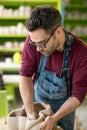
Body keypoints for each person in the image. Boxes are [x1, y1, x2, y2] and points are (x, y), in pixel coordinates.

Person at [19, 6, 87, 130]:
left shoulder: (81, 53)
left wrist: (55, 118)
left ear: (58, 32)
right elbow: (25, 75)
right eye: (34, 43)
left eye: (42, 43)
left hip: (64, 113)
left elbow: (78, 94)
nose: (38, 49)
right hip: (37, 106)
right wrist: (29, 111)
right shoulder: (34, 40)